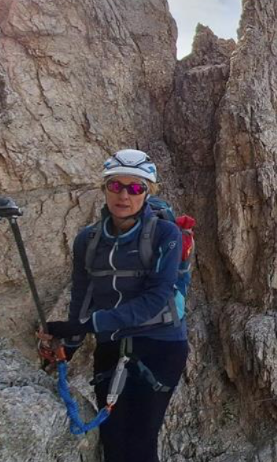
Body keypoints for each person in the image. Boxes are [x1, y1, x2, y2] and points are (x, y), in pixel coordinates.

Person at [44, 149, 188, 462]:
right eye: (116, 186)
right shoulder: (88, 239)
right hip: (112, 343)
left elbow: (156, 297)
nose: (124, 195)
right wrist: (70, 343)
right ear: (105, 189)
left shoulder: (166, 234)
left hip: (160, 345)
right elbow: (83, 296)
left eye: (135, 188)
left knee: (140, 440)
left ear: (147, 193)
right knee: (113, 439)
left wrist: (89, 326)